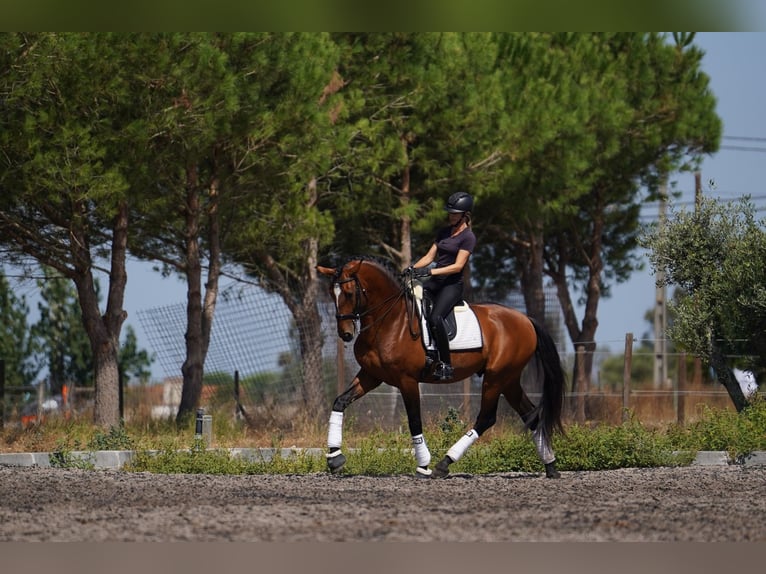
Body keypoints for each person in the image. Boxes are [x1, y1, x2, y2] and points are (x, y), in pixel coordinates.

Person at [410, 191, 476, 380]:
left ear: (464, 215)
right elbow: (430, 257)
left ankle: (445, 364)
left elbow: (457, 267)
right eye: (450, 212)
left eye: (455, 213)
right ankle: (427, 352)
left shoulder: (468, 237)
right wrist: (412, 268)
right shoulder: (444, 232)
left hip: (452, 286)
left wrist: (430, 272)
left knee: (436, 317)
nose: (451, 216)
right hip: (436, 283)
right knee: (416, 307)